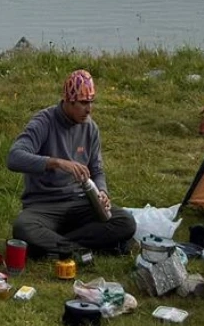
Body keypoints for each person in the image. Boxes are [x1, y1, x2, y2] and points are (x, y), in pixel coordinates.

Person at [7, 69, 137, 257]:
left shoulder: (90, 128)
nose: (89, 109)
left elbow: (97, 170)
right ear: (68, 101)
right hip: (43, 207)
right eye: (83, 103)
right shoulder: (44, 122)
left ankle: (59, 246)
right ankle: (86, 247)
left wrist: (102, 192)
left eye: (91, 102)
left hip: (80, 204)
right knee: (23, 227)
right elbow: (14, 157)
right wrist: (56, 162)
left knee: (125, 222)